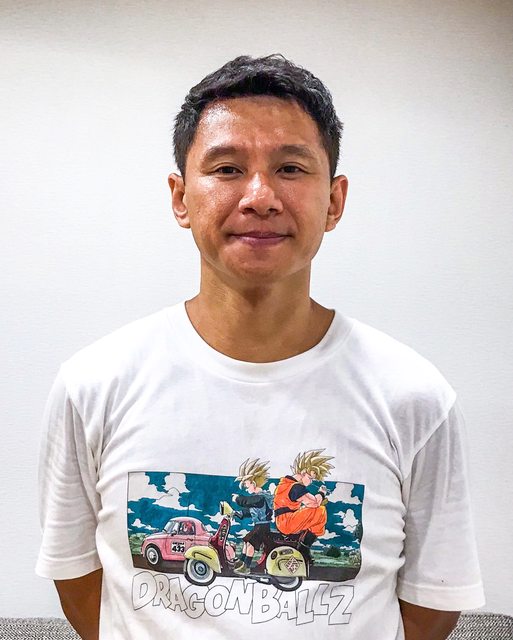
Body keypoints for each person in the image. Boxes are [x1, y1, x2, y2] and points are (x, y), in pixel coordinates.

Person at [36, 54, 485, 639]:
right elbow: (78, 580)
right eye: (226, 168)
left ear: (334, 201)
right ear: (180, 197)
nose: (260, 196)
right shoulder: (94, 384)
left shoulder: (415, 397)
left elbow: (432, 604)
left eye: (290, 168)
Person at [273, 449, 333, 560]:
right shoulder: (296, 487)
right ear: (304, 472)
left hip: (283, 520)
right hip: (287, 522)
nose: (310, 482)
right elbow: (314, 503)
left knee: (315, 513)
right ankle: (304, 548)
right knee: (320, 511)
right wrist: (321, 493)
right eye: (310, 478)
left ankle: (303, 546)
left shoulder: (285, 484)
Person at [231, 458, 274, 575]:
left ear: (253, 483)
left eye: (247, 484)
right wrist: (238, 513)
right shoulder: (259, 498)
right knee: (247, 541)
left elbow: (248, 502)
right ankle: (241, 562)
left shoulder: (261, 497)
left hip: (263, 526)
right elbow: (252, 511)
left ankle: (246, 566)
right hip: (259, 526)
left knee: (250, 543)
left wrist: (237, 499)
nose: (246, 487)